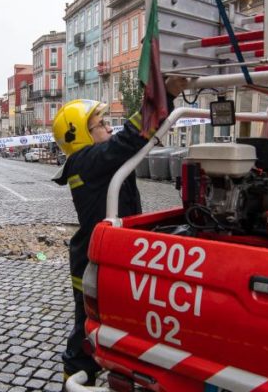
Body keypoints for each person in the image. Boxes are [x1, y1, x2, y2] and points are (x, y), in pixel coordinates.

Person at [52, 76, 187, 385]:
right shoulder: (86, 160)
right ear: (80, 135)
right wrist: (164, 94)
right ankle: (74, 379)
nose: (108, 128)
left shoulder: (96, 161)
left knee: (108, 325)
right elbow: (130, 138)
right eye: (100, 125)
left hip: (103, 256)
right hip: (93, 263)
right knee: (85, 332)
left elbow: (135, 142)